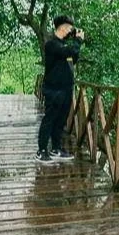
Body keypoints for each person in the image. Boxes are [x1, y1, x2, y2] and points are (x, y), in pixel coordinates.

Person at [36, 15, 84, 163]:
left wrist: (76, 44)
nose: (71, 32)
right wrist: (77, 40)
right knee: (49, 119)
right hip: (53, 89)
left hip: (66, 89)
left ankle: (56, 148)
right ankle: (41, 150)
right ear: (62, 28)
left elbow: (73, 57)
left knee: (60, 121)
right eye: (70, 29)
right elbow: (67, 52)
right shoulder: (51, 44)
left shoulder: (64, 45)